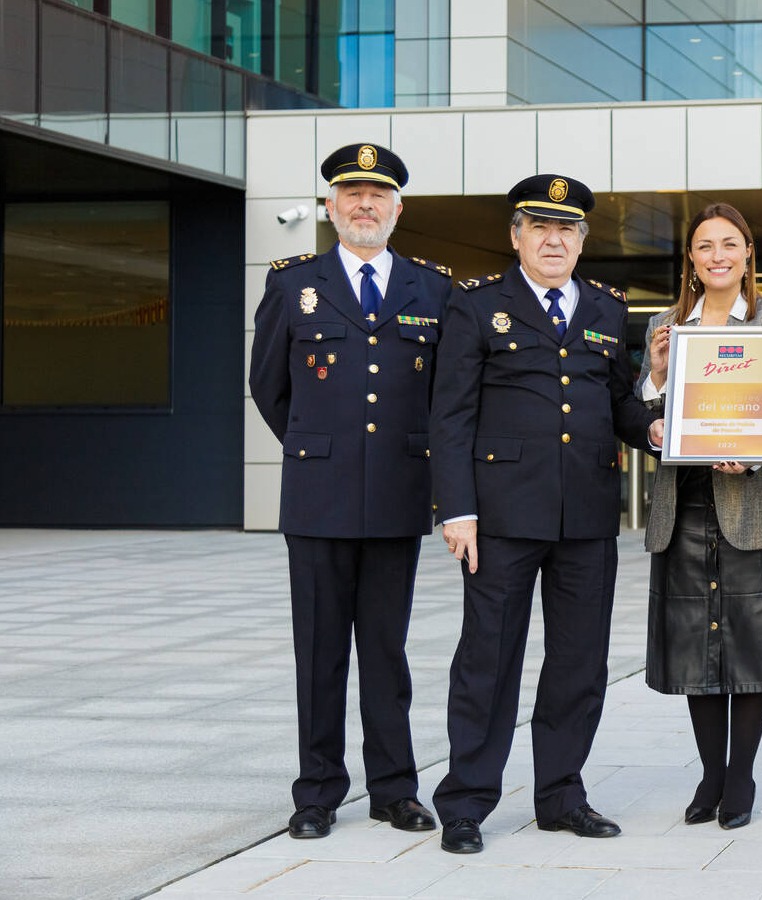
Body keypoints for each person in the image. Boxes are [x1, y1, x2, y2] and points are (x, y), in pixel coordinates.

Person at [427, 174, 664, 855]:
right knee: (487, 661)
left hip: (586, 516)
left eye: (567, 229)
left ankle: (562, 795)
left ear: (582, 241)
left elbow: (618, 402)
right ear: (516, 236)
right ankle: (467, 802)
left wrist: (649, 426)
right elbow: (449, 417)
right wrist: (457, 510)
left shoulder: (606, 308)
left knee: (579, 664)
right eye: (540, 227)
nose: (554, 239)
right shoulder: (475, 306)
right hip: (499, 516)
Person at [248, 142, 450, 839]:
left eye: (378, 195)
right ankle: (317, 794)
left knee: (387, 655)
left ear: (399, 209)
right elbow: (268, 387)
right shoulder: (291, 284)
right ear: (331, 206)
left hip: (398, 491)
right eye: (351, 194)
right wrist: (317, 447)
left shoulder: (433, 289)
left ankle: (395, 789)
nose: (365, 205)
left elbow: (446, 395)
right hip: (317, 497)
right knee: (320, 652)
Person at [636, 203, 762, 830]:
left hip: (759, 496)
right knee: (697, 641)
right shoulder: (666, 326)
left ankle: (740, 773)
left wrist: (750, 456)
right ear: (690, 259)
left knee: (753, 637)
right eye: (703, 246)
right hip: (685, 498)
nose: (715, 256)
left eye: (728, 244)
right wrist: (658, 375)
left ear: (747, 252)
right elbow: (651, 412)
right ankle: (710, 773)